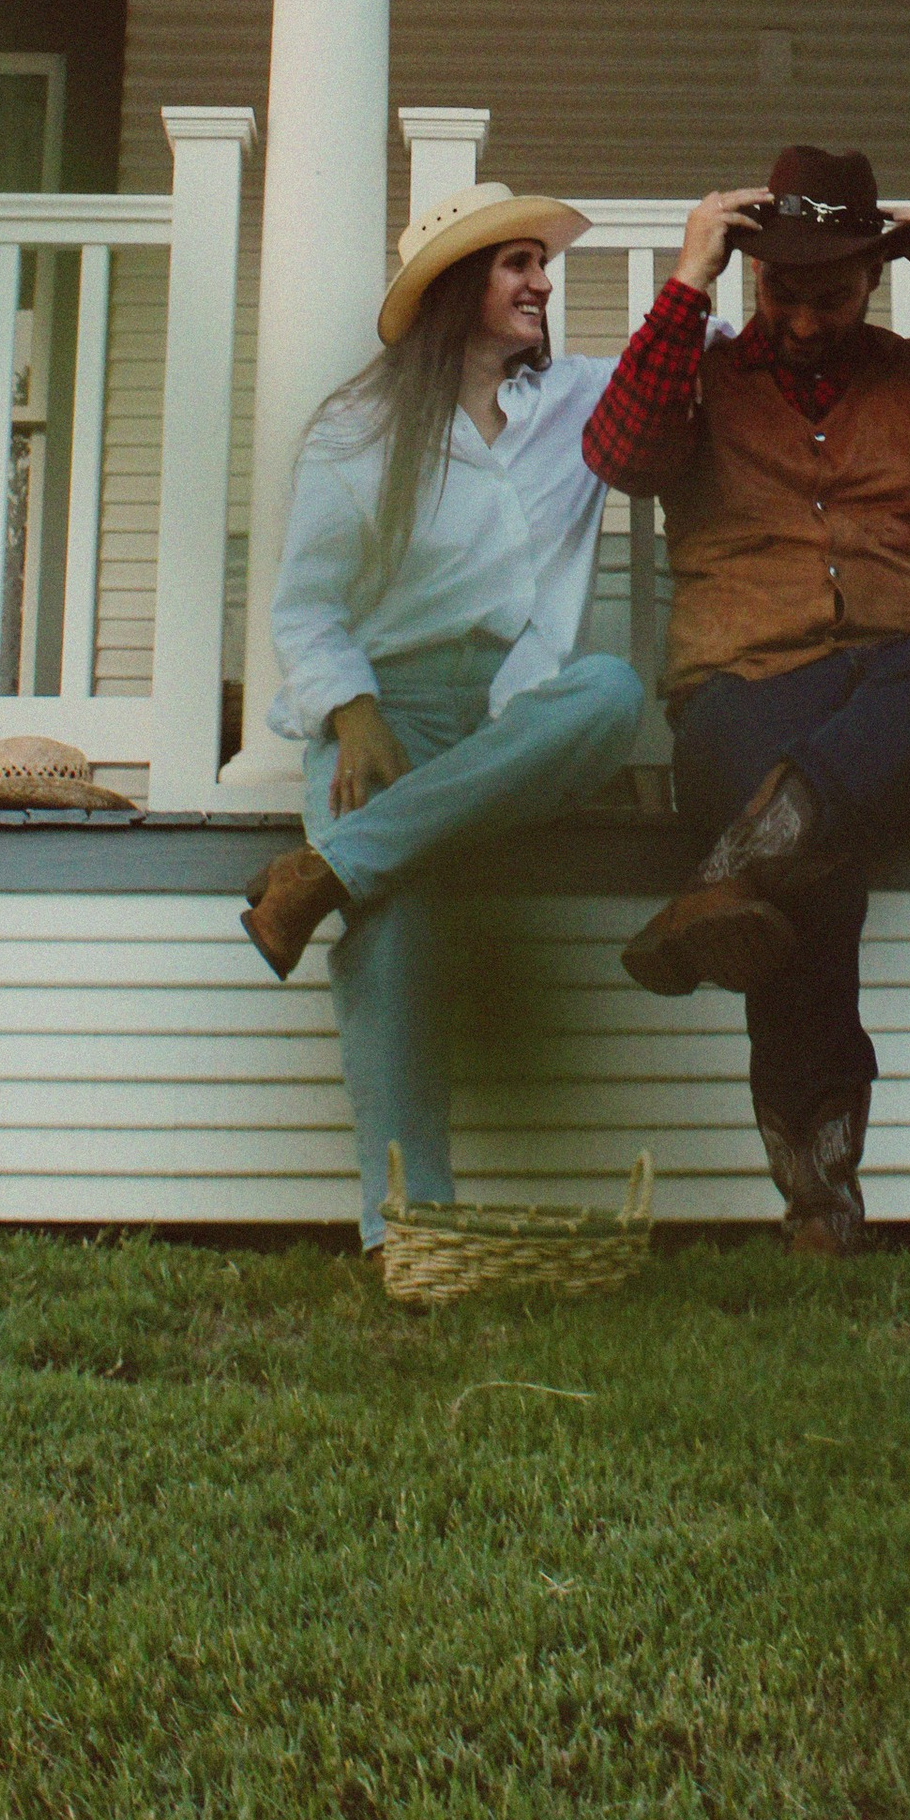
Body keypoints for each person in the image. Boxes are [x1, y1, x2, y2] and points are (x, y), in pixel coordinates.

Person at [582, 145, 910, 1255]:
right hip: (737, 694)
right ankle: (821, 1195)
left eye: (831, 295)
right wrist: (688, 282)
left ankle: (729, 871)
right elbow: (618, 454)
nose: (804, 319)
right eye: (783, 293)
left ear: (874, 280)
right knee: (818, 865)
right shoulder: (701, 372)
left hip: (894, 696)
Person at [243, 180, 644, 1246]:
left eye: (539, 264)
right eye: (516, 265)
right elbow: (307, 607)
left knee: (610, 692)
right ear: (457, 286)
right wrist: (358, 710)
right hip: (385, 707)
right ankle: (411, 1229)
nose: (542, 282)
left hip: (508, 719)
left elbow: (690, 363)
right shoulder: (361, 426)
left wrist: (700, 263)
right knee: (400, 919)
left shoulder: (573, 401)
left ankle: (329, 868)